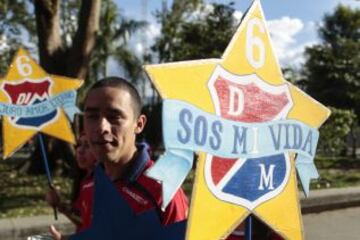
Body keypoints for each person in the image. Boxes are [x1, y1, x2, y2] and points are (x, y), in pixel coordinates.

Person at [50, 77, 188, 239]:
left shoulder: (164, 192)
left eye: (114, 117)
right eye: (92, 117)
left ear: (139, 124)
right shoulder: (91, 184)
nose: (102, 127)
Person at [46, 133, 97, 232]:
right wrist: (59, 204)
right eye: (79, 144)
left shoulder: (103, 183)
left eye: (87, 146)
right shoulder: (85, 181)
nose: (80, 150)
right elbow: (82, 220)